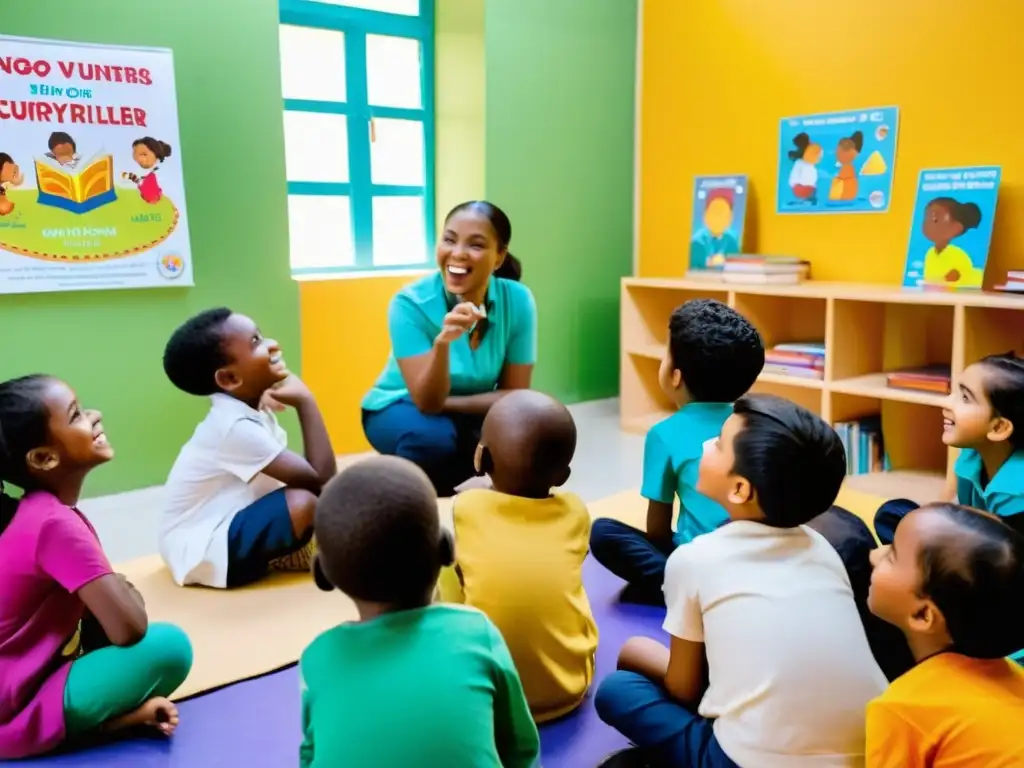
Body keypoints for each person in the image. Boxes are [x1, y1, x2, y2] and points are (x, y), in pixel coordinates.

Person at [595, 394, 887, 768]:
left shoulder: (694, 558)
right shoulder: (824, 549)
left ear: (740, 490)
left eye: (717, 444)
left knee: (618, 689)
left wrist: (638, 653)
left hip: (747, 760)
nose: (705, 445)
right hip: (867, 755)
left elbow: (683, 688)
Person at [300, 455, 540, 767]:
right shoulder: (476, 632)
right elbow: (520, 746)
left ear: (322, 574)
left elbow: (310, 753)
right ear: (446, 548)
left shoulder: (318, 657)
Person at [0, 375, 193, 760]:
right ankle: (76, 727)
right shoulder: (53, 523)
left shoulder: (37, 515)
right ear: (43, 458)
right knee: (170, 647)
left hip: (24, 686)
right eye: (77, 415)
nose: (95, 416)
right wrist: (125, 590)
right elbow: (128, 628)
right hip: (12, 714)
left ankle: (107, 721)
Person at [590, 299, 764, 606]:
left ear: (675, 375)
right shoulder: (755, 421)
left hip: (697, 567)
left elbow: (657, 529)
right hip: (755, 565)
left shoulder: (664, 434)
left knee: (603, 533)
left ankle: (681, 589)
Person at [439, 390, 598, 722]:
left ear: (481, 459)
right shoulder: (575, 512)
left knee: (446, 566)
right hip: (568, 689)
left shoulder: (467, 508)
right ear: (563, 476)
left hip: (488, 703)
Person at [361, 201, 537, 496]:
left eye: (476, 245)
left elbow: (515, 395)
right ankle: (412, 488)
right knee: (434, 441)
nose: (457, 253)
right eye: (449, 239)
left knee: (529, 432)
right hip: (399, 405)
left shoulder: (518, 301)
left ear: (499, 257)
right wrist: (442, 344)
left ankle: (428, 473)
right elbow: (428, 402)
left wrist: (450, 405)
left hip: (462, 409)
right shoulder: (409, 304)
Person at [160, 308, 336, 588]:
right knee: (304, 503)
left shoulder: (244, 406)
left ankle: (282, 551)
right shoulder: (234, 428)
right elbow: (322, 480)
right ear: (230, 379)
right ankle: (274, 557)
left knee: (314, 501)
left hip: (220, 525)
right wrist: (306, 401)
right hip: (201, 548)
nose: (273, 344)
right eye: (256, 342)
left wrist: (262, 392)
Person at [865, 503, 1024, 766]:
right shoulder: (1015, 675)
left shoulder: (903, 708)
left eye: (891, 556)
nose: (874, 555)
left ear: (923, 615)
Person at [875, 353, 1024, 544]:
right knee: (892, 514)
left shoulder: (1016, 490)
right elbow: (942, 509)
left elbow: (1003, 558)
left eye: (965, 398)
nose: (944, 402)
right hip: (978, 538)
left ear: (998, 428)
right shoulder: (971, 454)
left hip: (1001, 558)